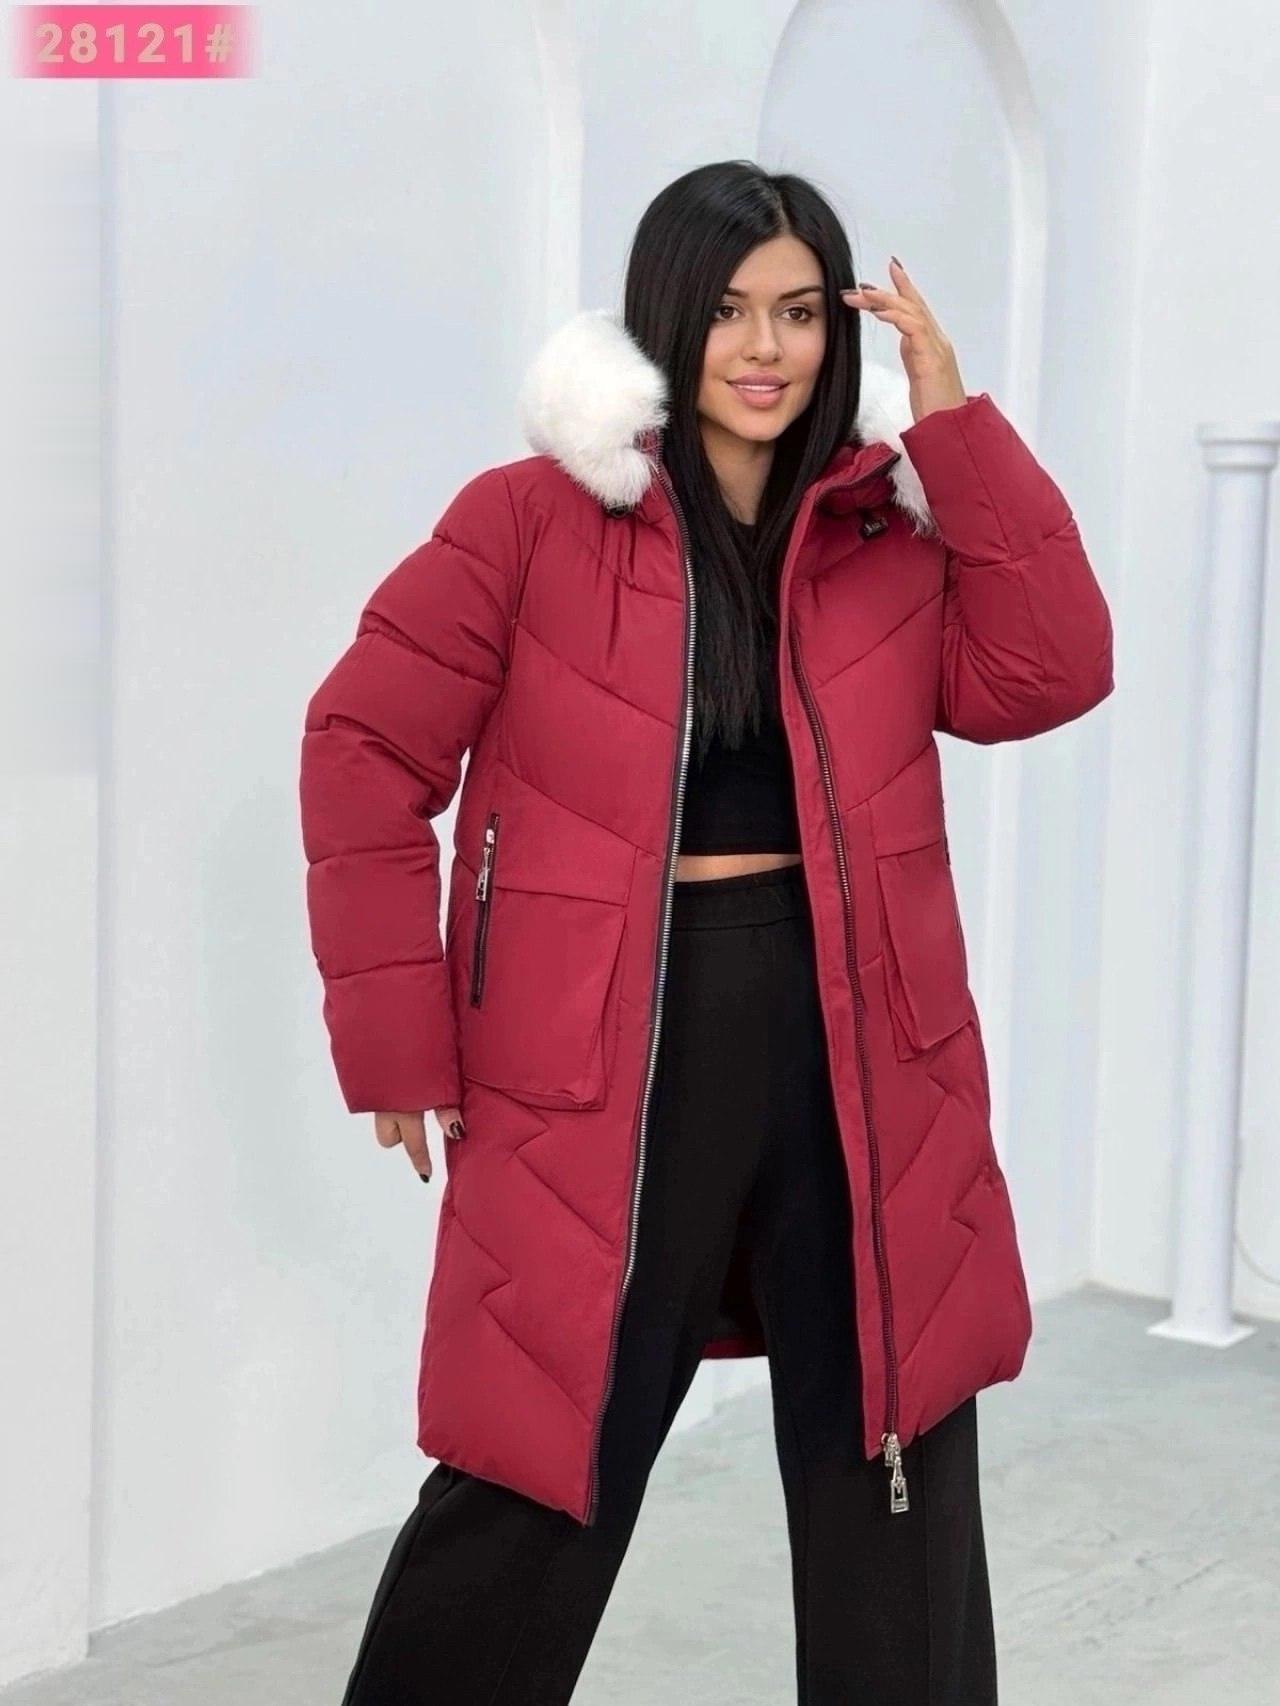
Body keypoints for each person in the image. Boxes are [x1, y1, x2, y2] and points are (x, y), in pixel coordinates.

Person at [298, 159, 1114, 1704]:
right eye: (733, 309)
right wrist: (398, 1032)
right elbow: (361, 744)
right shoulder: (531, 521)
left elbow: (1053, 669)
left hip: (857, 1034)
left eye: (801, 313)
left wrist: (952, 421)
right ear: (669, 317)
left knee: (890, 1440)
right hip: (609, 1045)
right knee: (544, 1447)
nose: (766, 347)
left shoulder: (885, 532)